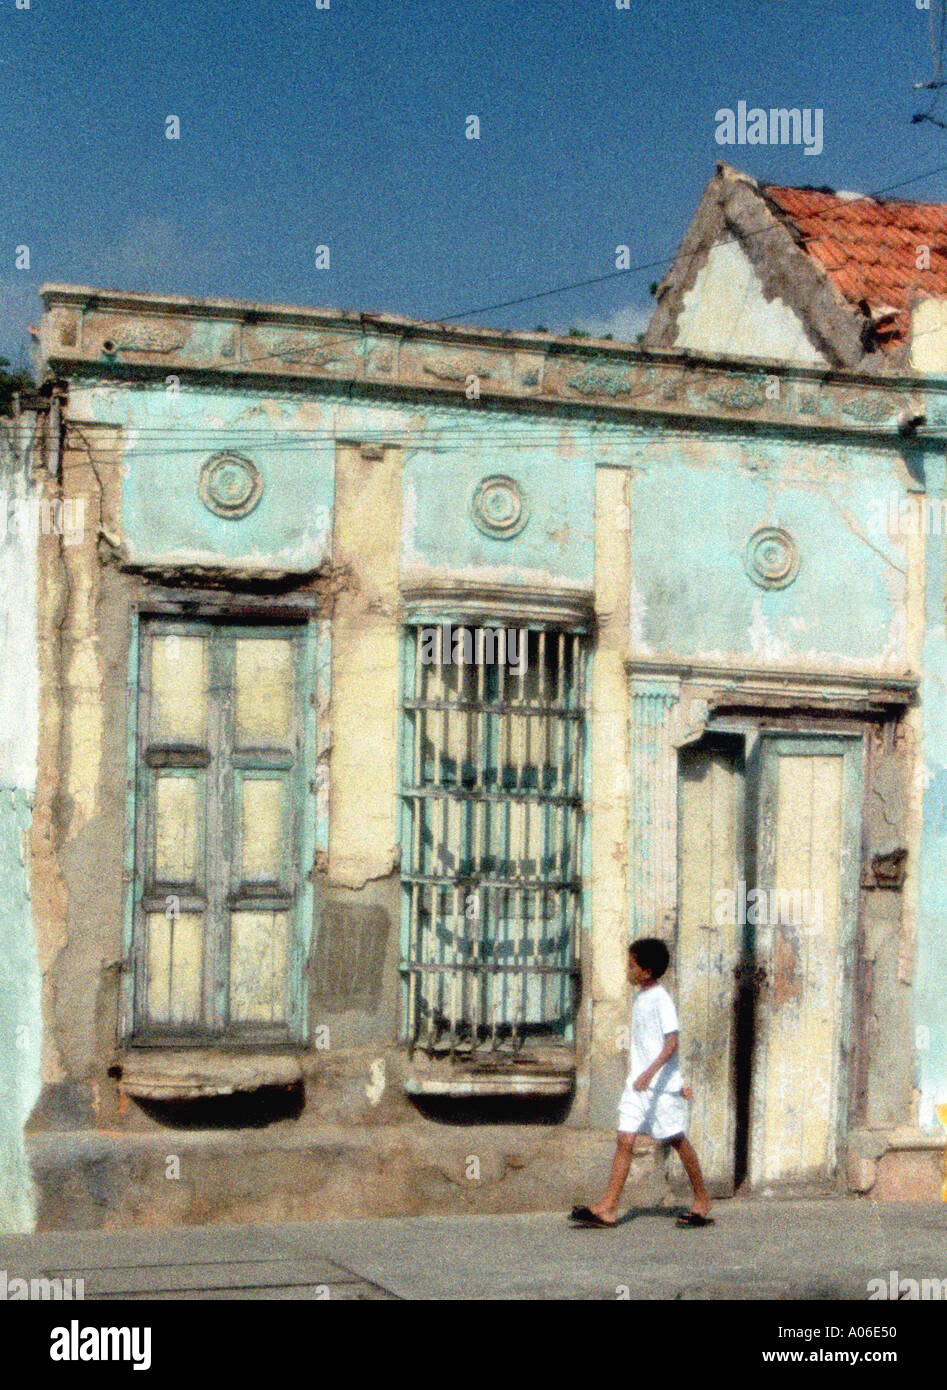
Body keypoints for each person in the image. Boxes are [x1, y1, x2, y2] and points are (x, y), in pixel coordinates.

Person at [570, 936, 714, 1230]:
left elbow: (671, 1043)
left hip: (660, 1086)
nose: (627, 969)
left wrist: (652, 1074)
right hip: (637, 1085)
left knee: (675, 1139)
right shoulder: (640, 998)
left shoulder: (661, 1000)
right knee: (625, 1139)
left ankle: (701, 1200)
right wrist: (641, 1075)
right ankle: (608, 1209)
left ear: (646, 972)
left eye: (631, 965)